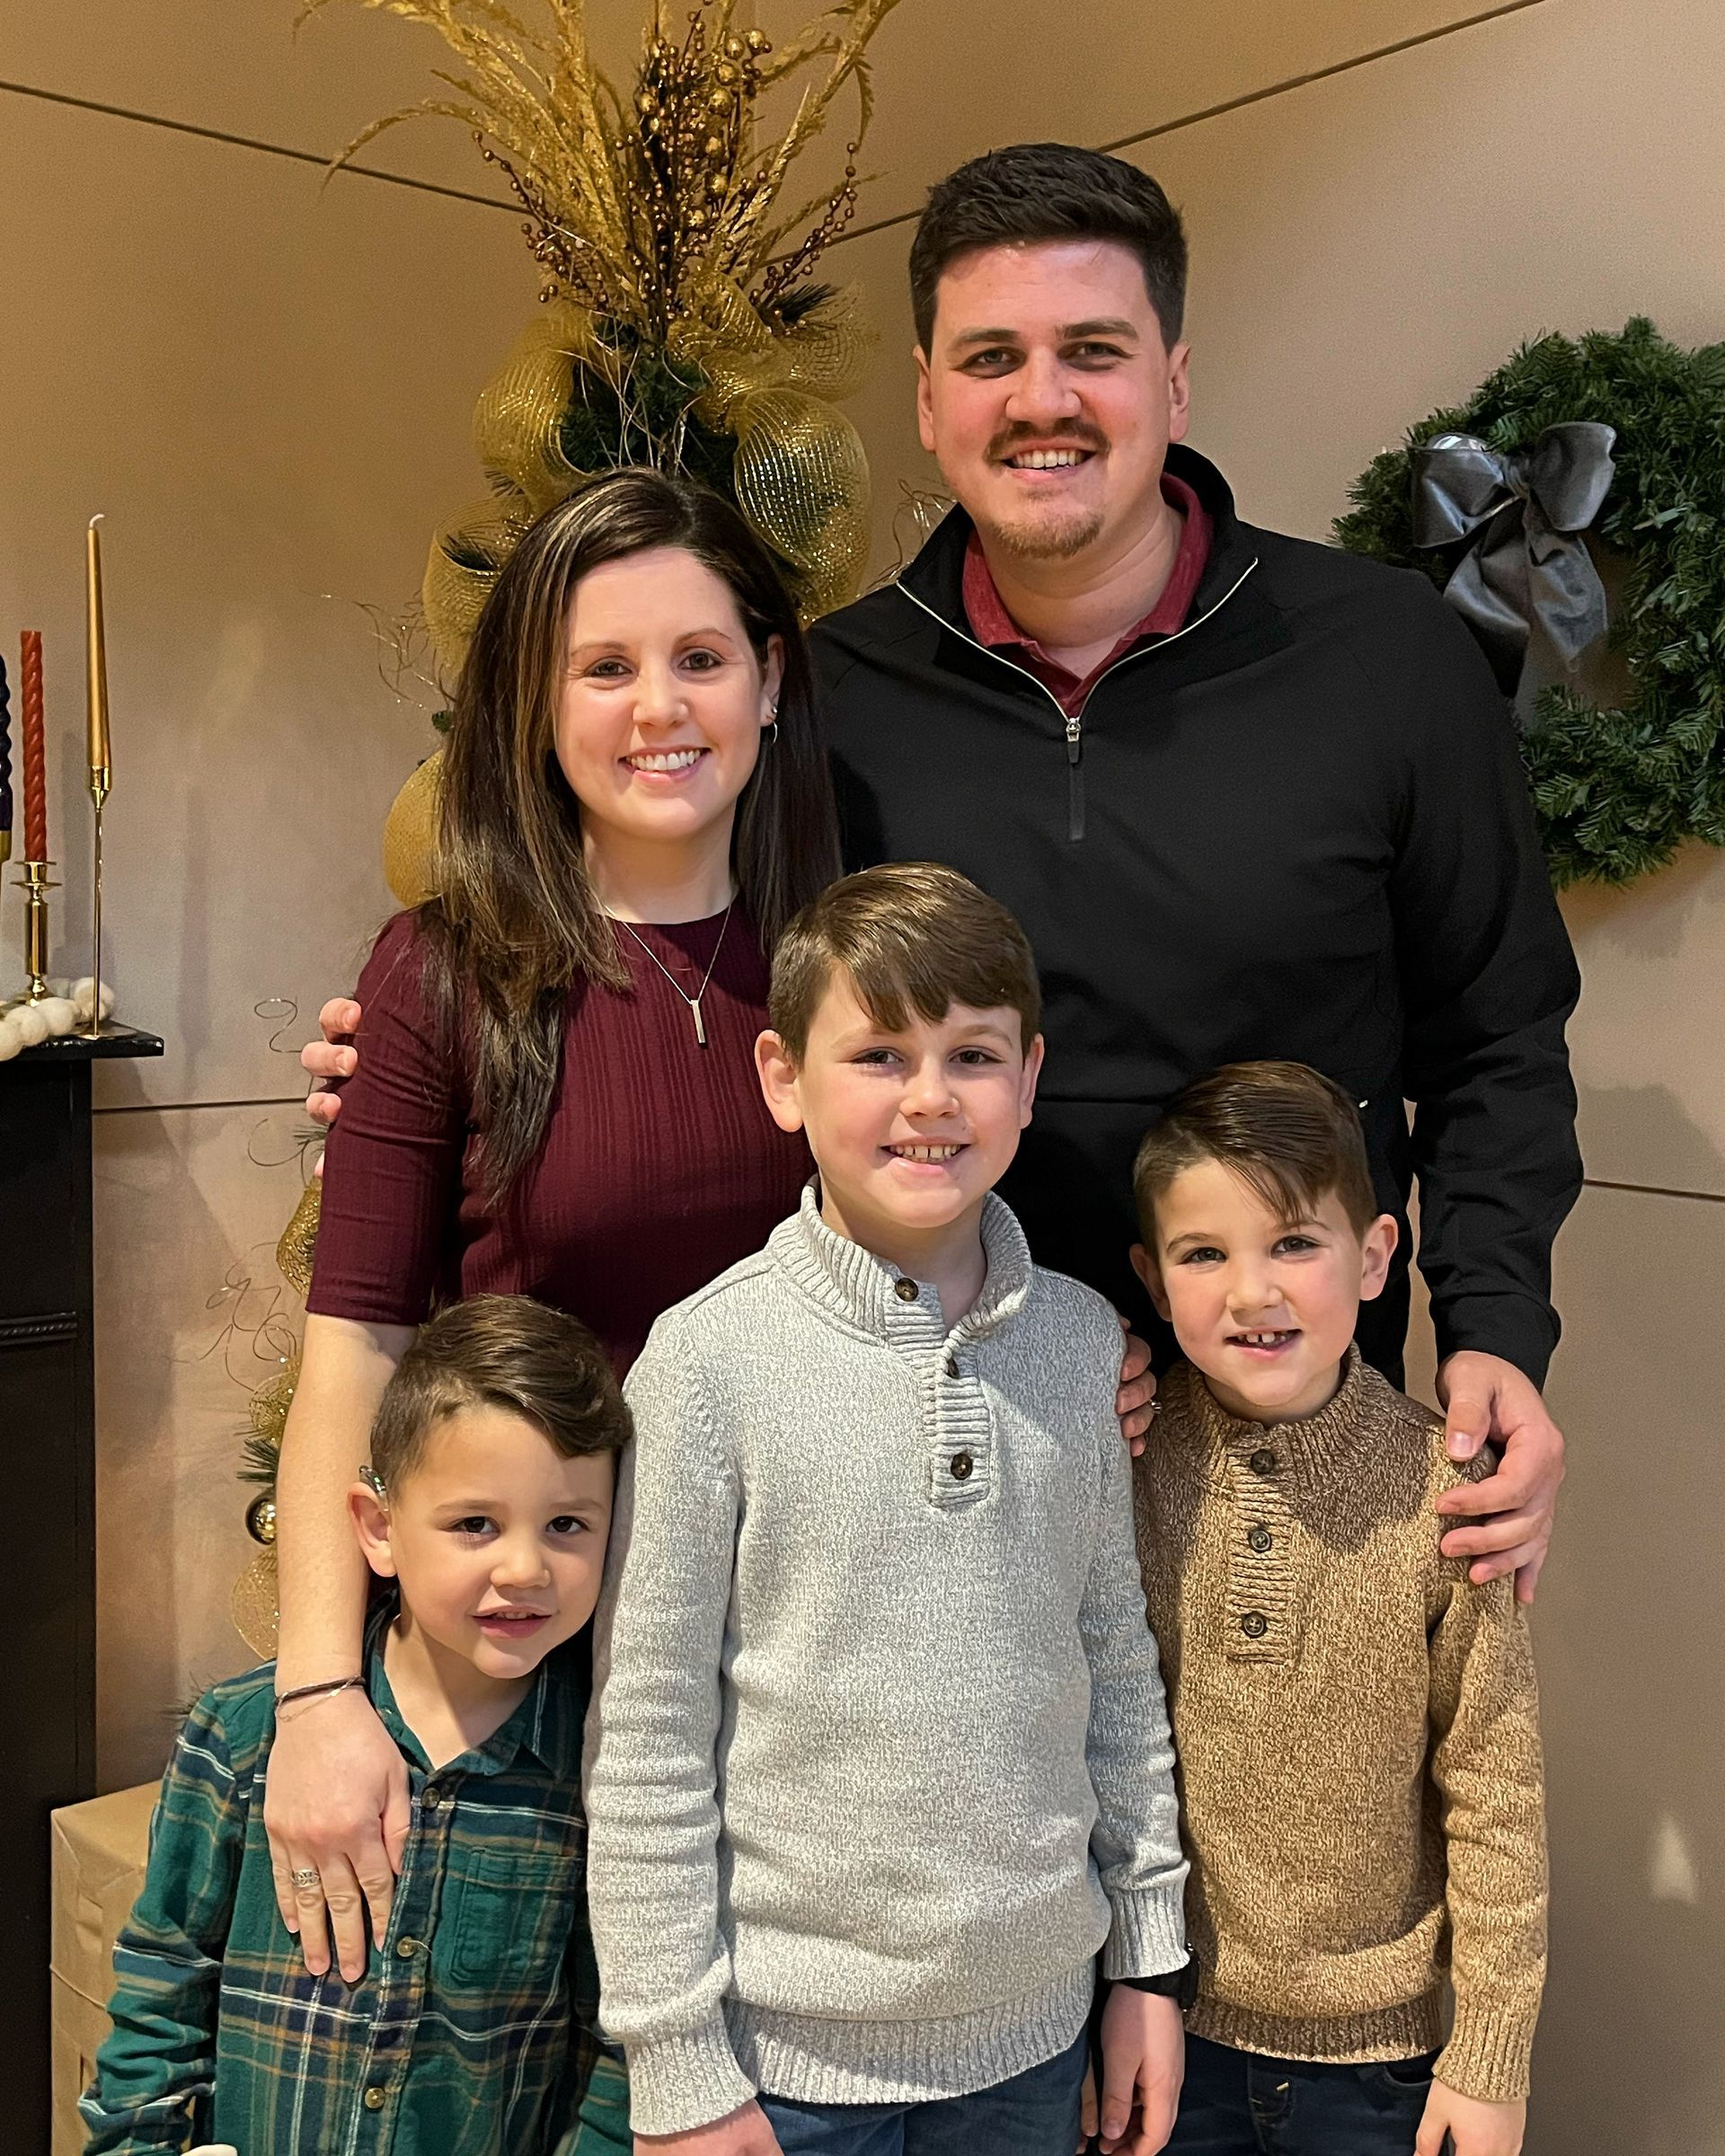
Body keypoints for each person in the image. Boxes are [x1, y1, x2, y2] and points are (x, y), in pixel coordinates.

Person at [306, 146, 1579, 1605]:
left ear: (1174, 378)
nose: (1044, 398)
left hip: (1295, 1465)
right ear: (928, 401)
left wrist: (1498, 1329)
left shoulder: (1386, 659)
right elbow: (706, 980)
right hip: (953, 1483)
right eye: (993, 358)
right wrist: (425, 1066)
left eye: (1092, 350)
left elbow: (1497, 1037)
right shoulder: (825, 705)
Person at [267, 469, 839, 1991]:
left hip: (793, 1675)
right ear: (536, 701)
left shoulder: (845, 972)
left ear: (771, 681)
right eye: (605, 666)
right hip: (526, 1676)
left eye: (702, 659)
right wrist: (317, 1692)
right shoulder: (439, 976)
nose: (659, 707)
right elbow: (355, 1354)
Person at [581, 862, 1193, 2156]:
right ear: (783, 1078)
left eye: (971, 1055)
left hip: (1037, 2050)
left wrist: (1147, 1962)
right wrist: (679, 2061)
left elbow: (1116, 1670)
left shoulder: (1084, 1345)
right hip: (776, 2073)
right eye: (878, 1056)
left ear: (1029, 1081)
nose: (929, 1099)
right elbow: (645, 1738)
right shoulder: (708, 1363)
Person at [80, 1295, 634, 2156]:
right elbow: (162, 1987)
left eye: (567, 1525)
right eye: (474, 1524)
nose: (525, 1568)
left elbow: (616, 2050)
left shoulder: (606, 1775)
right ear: (379, 1528)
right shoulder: (238, 1737)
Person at [1128, 1062, 1545, 2156]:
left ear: (1373, 1259)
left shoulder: (1450, 1493)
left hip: (1380, 2071)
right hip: (1157, 2032)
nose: (1251, 1292)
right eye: (1203, 1254)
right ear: (1152, 1278)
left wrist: (1490, 2057)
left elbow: (1496, 1786)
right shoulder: (1124, 1460)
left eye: (1294, 1245)